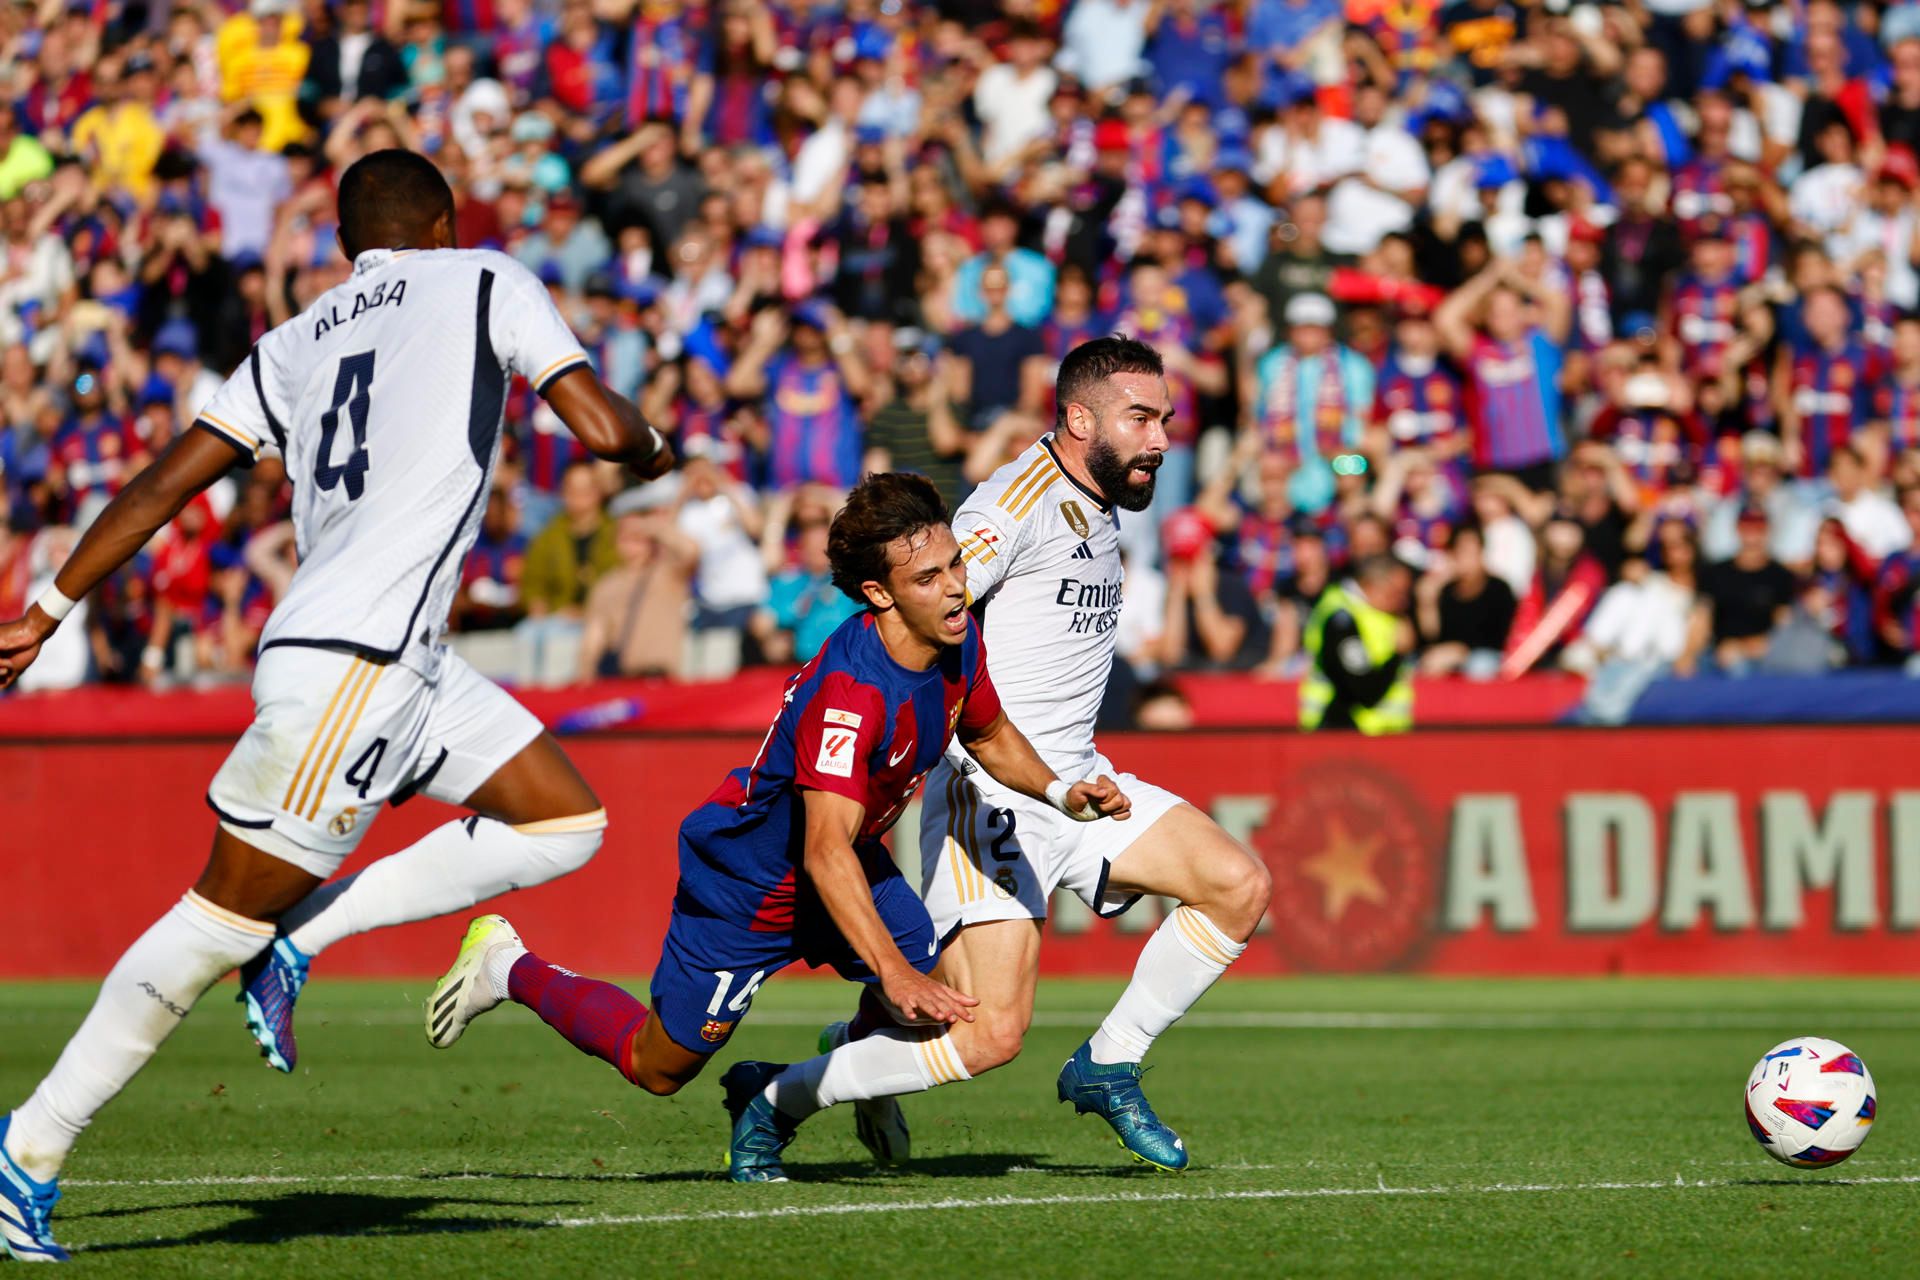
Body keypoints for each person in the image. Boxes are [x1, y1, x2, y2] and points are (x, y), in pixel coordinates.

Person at [0, 149, 674, 1263]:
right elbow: (602, 431)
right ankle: (31, 1145)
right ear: (448, 221)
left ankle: (308, 935)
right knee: (215, 921)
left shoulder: (297, 337)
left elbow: (168, 477)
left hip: (389, 653)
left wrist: (45, 604)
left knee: (564, 819)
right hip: (356, 666)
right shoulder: (487, 278)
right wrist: (655, 445)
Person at [424, 473, 1130, 1183]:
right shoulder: (852, 697)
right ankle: (507, 967)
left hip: (846, 861)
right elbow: (820, 848)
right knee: (658, 1066)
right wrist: (892, 973)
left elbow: (990, 732)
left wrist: (1062, 790)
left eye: (954, 565)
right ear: (880, 594)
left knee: (941, 1004)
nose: (954, 588)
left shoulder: (956, 640)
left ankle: (823, 1072)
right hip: (754, 883)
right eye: (928, 577)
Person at [781, 336, 1270, 1175]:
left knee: (1239, 886)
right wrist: (869, 721)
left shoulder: (1100, 496)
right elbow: (917, 602)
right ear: (1080, 419)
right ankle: (789, 1089)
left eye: (1166, 420)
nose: (1160, 438)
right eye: (1141, 418)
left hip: (1078, 778)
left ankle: (1108, 1065)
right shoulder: (1010, 506)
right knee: (990, 1034)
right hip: (993, 790)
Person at [1301, 554, 1415, 733]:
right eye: (1396, 592)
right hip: (1342, 731)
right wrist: (1398, 654)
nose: (1403, 600)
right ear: (1372, 585)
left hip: (1379, 735)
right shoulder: (1341, 619)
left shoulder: (1377, 613)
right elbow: (1364, 690)